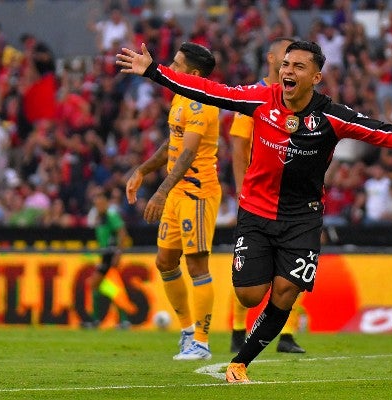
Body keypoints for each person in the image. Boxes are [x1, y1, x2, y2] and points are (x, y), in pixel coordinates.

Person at [116, 40, 392, 383]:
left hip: (302, 217)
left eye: (298, 66)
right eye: (285, 64)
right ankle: (256, 286)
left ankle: (240, 362)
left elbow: (381, 132)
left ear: (314, 77)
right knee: (248, 295)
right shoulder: (261, 98)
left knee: (286, 292)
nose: (287, 71)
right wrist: (154, 71)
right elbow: (213, 91)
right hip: (256, 212)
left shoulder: (332, 116)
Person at [125, 42, 219, 361]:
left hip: (197, 192)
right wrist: (142, 170)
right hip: (177, 192)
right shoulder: (180, 95)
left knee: (196, 265)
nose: (171, 68)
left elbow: (189, 153)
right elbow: (173, 144)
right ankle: (187, 332)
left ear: (193, 74)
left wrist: (161, 190)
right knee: (165, 261)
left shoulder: (202, 103)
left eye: (177, 64)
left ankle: (202, 343)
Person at [228, 37, 306, 355]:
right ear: (272, 57)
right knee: (250, 267)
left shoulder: (300, 100)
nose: (291, 61)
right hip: (257, 198)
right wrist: (240, 190)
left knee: (294, 267)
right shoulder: (254, 97)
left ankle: (286, 333)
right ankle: (237, 328)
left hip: (292, 200)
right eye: (286, 56)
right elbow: (237, 147)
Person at [85, 189, 132, 329]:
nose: (98, 206)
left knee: (103, 286)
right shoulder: (100, 217)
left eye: (101, 203)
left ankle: (120, 321)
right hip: (105, 255)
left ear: (106, 203)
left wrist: (118, 254)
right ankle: (103, 320)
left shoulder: (111, 215)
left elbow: (122, 233)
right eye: (96, 204)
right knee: (101, 286)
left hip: (111, 255)